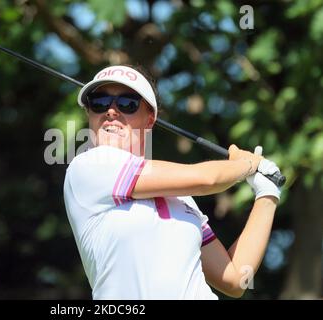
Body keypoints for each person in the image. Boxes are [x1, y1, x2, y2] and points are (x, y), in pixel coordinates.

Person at [63, 65, 281, 299]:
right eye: (99, 101)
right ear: (89, 114)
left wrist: (267, 194)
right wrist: (246, 163)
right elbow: (207, 179)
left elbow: (236, 279)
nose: (111, 111)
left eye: (127, 103)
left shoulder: (182, 199)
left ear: (149, 120)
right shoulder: (88, 166)